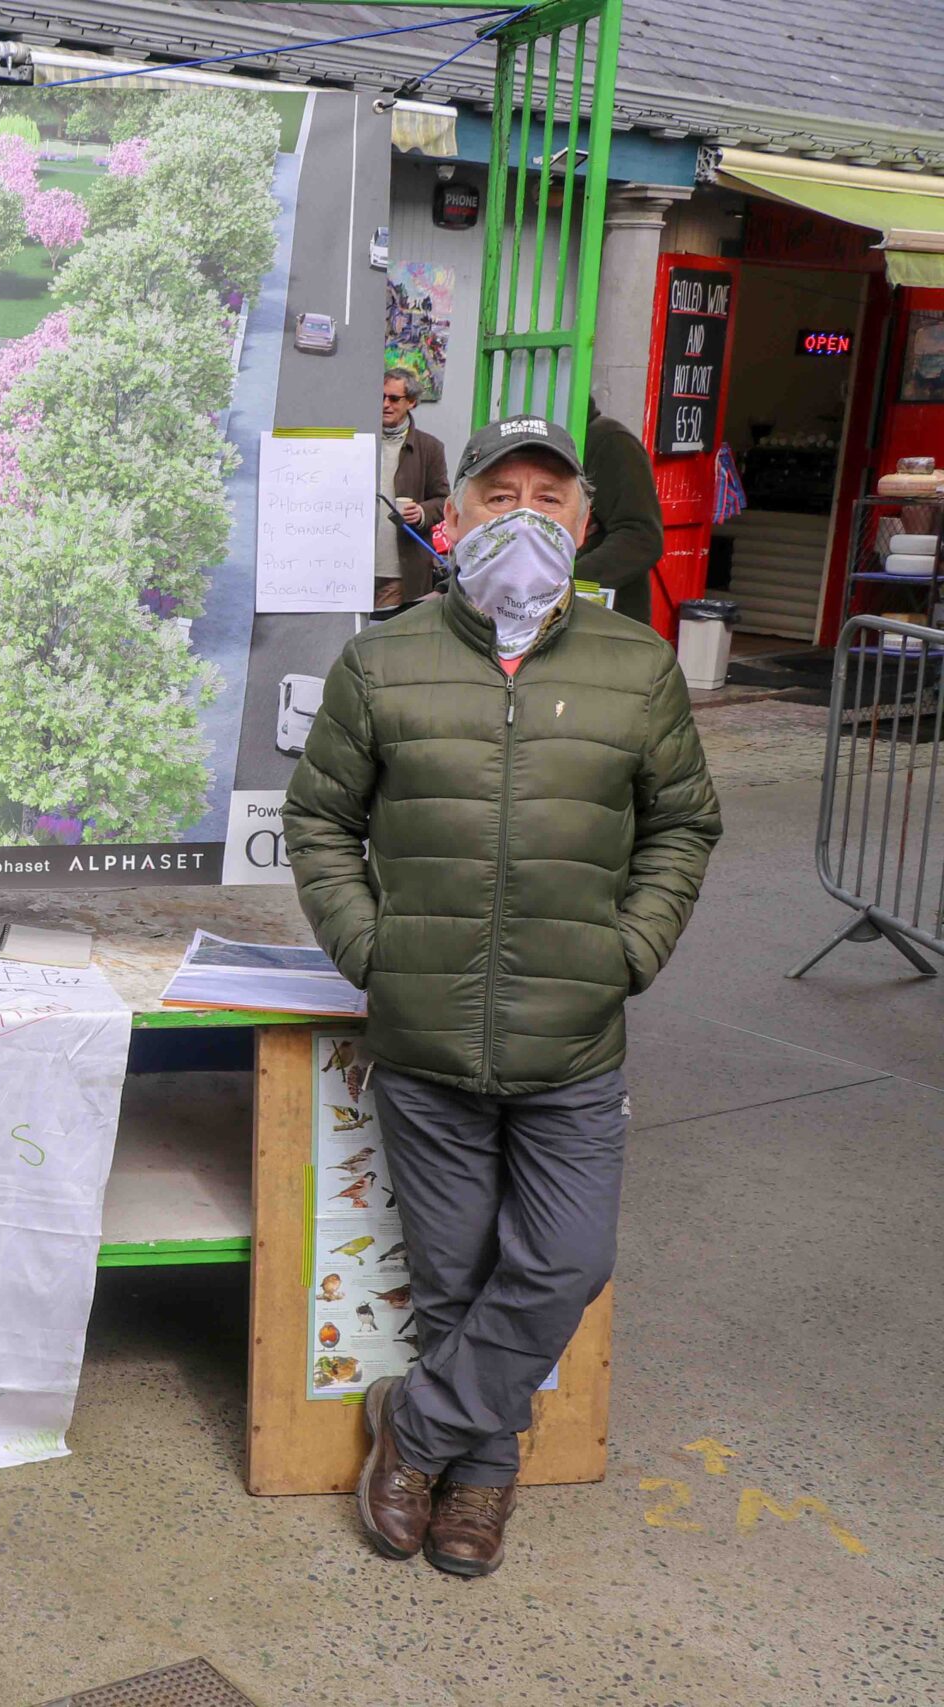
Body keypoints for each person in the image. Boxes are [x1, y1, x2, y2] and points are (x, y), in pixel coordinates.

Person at [282, 415, 720, 1580]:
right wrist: (373, 949)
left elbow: (683, 823)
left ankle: (414, 1429)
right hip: (424, 1035)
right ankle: (481, 1476)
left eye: (549, 497)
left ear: (584, 526)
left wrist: (629, 948)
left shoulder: (636, 669)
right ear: (449, 518)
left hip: (575, 1042)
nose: (523, 515)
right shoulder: (383, 660)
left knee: (564, 1261)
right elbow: (319, 820)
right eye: (497, 495)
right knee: (455, 1275)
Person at [576, 397, 666, 624]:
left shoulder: (610, 440)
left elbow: (642, 538)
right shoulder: (537, 446)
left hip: (609, 623)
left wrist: (567, 583)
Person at [376, 366, 450, 605]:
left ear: (412, 402)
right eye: (381, 397)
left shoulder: (429, 448)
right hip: (353, 568)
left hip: (400, 571)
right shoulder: (361, 440)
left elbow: (443, 500)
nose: (385, 404)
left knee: (382, 635)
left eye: (394, 398)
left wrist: (421, 512)